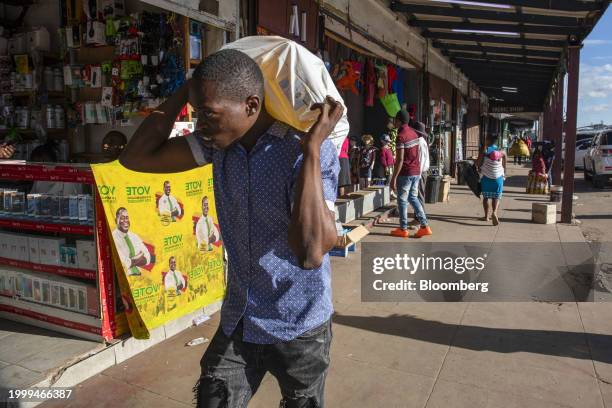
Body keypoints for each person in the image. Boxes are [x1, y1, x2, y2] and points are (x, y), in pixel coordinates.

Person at [118, 49, 341, 407]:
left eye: (208, 114)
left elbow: (312, 252)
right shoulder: (216, 146)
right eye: (197, 113)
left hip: (299, 326)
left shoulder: (304, 151)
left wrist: (313, 150)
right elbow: (136, 157)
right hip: (241, 316)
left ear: (251, 105)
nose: (199, 125)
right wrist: (186, 90)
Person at [389, 109, 432, 238]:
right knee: (413, 198)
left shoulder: (401, 136)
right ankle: (424, 226)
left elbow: (400, 159)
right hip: (416, 171)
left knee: (402, 200)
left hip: (406, 173)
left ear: (398, 121)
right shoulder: (413, 133)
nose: (393, 122)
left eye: (394, 120)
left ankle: (403, 228)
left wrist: (393, 178)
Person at [112, 207, 152, 276]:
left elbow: (148, 256)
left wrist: (132, 261)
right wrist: (139, 257)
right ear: (116, 221)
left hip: (139, 277)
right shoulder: (113, 237)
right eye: (122, 218)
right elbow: (123, 263)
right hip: (125, 277)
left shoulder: (134, 236)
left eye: (126, 217)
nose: (125, 220)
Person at [477, 135, 506, 225]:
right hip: (498, 178)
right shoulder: (501, 151)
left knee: (486, 197)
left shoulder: (484, 151)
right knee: (496, 197)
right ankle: (495, 213)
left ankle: (486, 216)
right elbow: (504, 163)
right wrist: (504, 173)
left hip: (486, 177)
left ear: (488, 140)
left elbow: (478, 163)